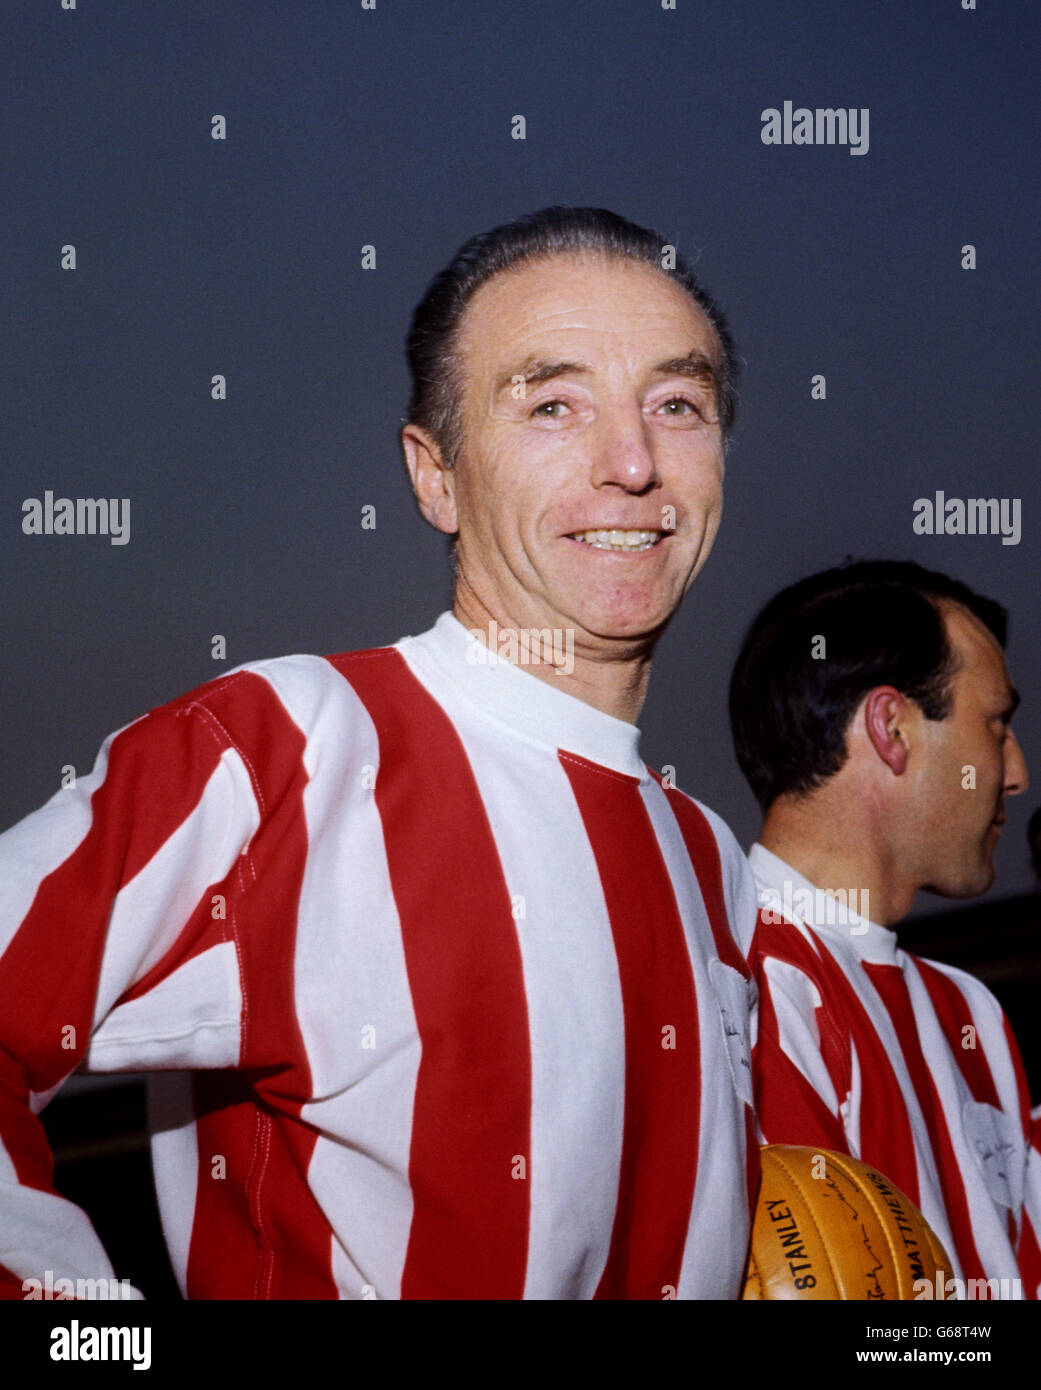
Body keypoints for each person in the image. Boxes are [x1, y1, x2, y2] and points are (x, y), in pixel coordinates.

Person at [0, 206, 759, 1301]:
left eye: (677, 405)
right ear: (434, 476)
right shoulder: (281, 750)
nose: (633, 461)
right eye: (553, 405)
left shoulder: (710, 859)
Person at [730, 559, 1041, 1298]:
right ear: (891, 727)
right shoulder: (738, 987)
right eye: (995, 724)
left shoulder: (971, 1013)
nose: (1016, 772)